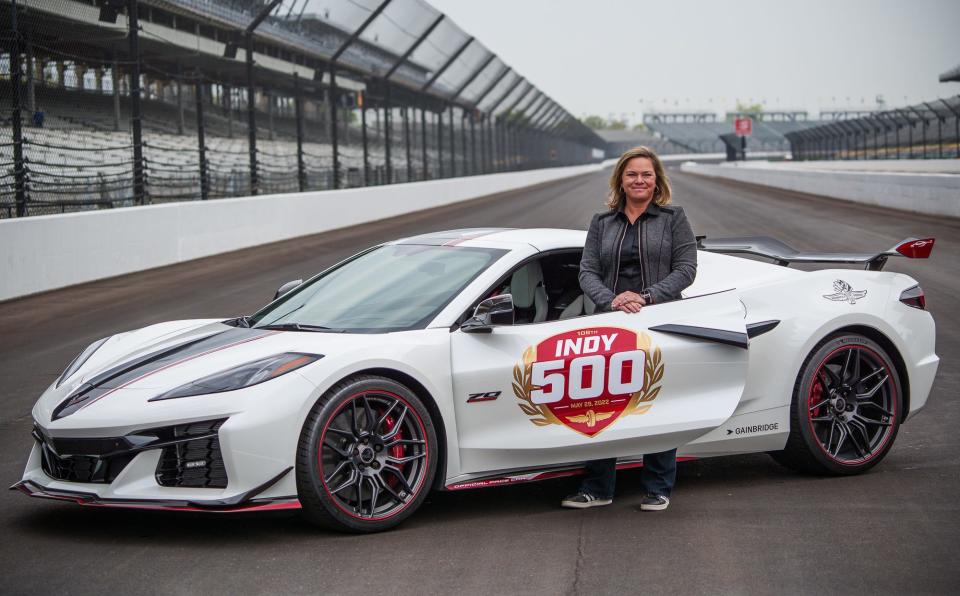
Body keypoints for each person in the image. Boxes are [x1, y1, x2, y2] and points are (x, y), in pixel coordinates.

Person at [562, 145, 697, 511]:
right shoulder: (602, 222)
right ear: (620, 179)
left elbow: (686, 269)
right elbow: (586, 271)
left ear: (657, 181)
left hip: (660, 320)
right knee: (600, 401)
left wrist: (647, 297)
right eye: (632, 174)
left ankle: (658, 487)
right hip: (608, 322)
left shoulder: (673, 218)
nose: (639, 180)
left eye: (646, 174)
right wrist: (612, 300)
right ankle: (598, 487)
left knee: (657, 401)